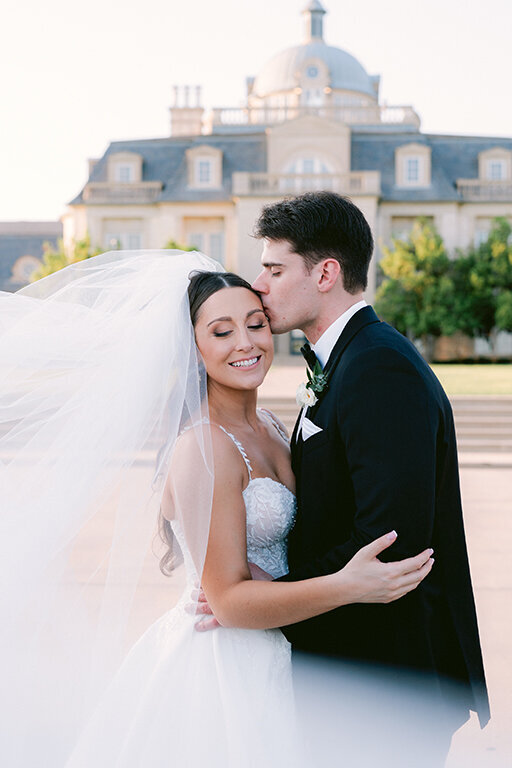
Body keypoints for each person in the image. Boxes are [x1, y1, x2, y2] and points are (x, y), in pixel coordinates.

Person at [0, 252, 432, 768]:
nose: (246, 343)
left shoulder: (272, 425)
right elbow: (226, 603)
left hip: (293, 651)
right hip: (227, 664)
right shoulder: (201, 447)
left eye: (255, 324)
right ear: (193, 350)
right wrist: (349, 584)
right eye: (222, 332)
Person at [247, 190, 490, 766]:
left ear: (326, 272)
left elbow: (388, 543)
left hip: (386, 685)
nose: (260, 283)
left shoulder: (378, 367)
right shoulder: (345, 361)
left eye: (275, 268)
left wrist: (267, 599)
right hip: (354, 675)